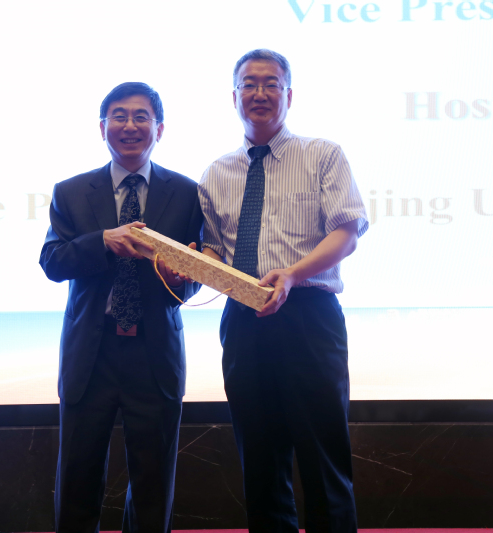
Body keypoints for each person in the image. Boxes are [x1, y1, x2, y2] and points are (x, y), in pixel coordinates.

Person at [198, 49, 369, 533]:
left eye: (271, 83)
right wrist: (190, 262)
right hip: (243, 321)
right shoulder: (216, 173)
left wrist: (291, 274)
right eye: (249, 84)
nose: (260, 93)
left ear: (288, 95)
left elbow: (347, 232)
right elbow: (215, 251)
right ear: (234, 96)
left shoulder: (322, 155)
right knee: (260, 461)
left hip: (309, 315)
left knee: (322, 457)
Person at [39, 82, 203, 533]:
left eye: (141, 116)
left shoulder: (187, 193)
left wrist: (181, 281)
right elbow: (52, 262)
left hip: (154, 352)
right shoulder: (71, 191)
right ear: (102, 127)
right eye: (119, 116)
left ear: (159, 129)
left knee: (153, 481)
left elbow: (194, 271)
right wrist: (102, 241)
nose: (130, 125)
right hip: (91, 353)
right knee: (78, 475)